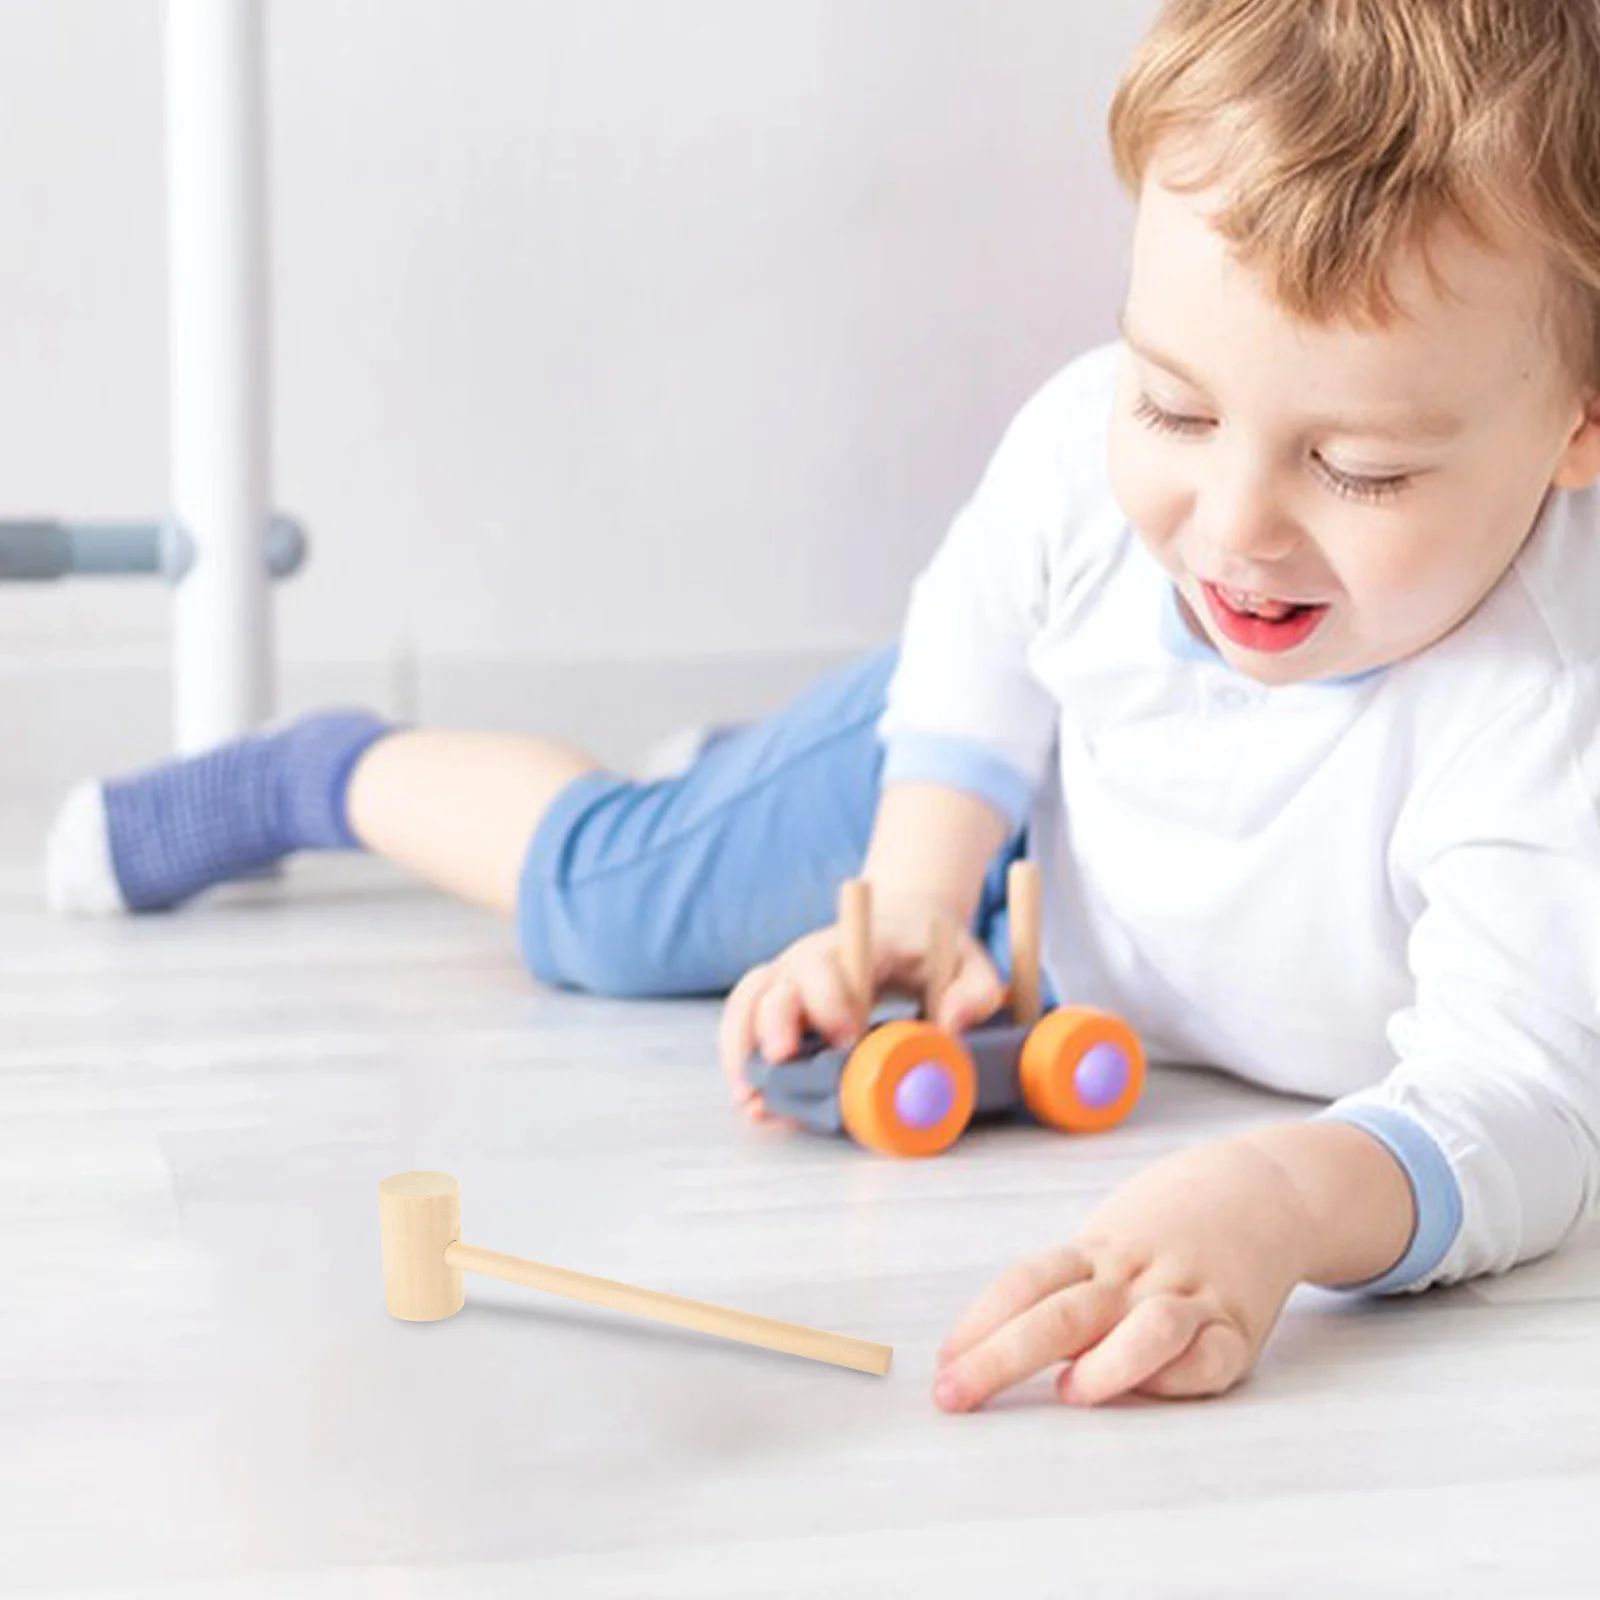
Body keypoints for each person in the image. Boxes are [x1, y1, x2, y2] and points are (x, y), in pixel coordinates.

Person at [45, 0, 1600, 1412]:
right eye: (1174, 406)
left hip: (1091, 923)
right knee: (619, 906)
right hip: (1004, 790)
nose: (1230, 526)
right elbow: (985, 642)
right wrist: (919, 887)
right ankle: (319, 775)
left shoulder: (1545, 715)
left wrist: (1283, 1198)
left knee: (724, 861)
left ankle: (735, 780)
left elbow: (1525, 1104)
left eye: (1362, 469)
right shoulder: (1084, 465)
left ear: (1575, 428)